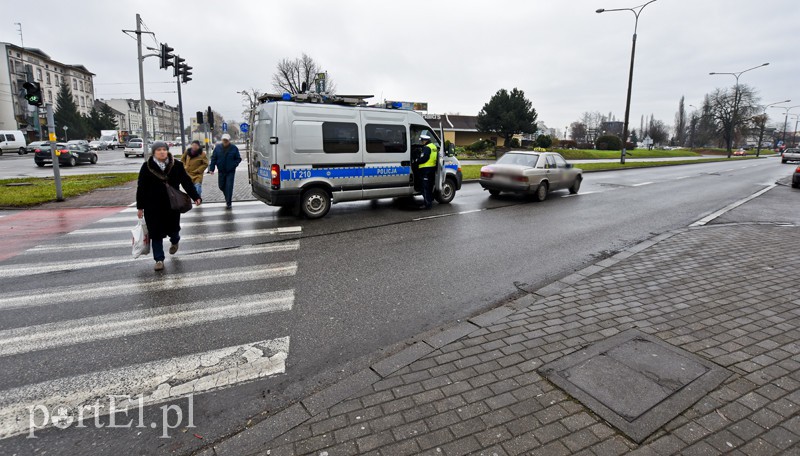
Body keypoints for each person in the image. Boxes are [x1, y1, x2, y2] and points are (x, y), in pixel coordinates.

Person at [136, 141, 202, 271]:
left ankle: (175, 240)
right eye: (158, 150)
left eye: (164, 149)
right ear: (154, 152)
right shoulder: (147, 167)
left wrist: (196, 196)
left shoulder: (176, 165)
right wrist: (140, 207)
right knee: (155, 234)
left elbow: (186, 182)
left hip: (171, 205)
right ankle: (159, 259)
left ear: (167, 151)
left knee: (173, 230)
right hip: (152, 207)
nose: (162, 152)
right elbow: (141, 188)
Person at [208, 133, 241, 208]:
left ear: (229, 140)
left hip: (230, 171)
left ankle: (228, 202)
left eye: (226, 140)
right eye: (224, 140)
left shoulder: (234, 148)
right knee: (221, 186)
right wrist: (211, 169)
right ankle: (227, 197)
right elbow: (213, 158)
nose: (225, 141)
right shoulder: (217, 148)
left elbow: (238, 158)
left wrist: (234, 165)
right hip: (221, 171)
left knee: (229, 186)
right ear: (222, 140)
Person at [413, 134, 438, 210]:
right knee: (430, 186)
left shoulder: (426, 148)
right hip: (431, 169)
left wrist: (417, 161)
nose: (421, 142)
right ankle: (430, 200)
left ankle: (427, 204)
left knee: (425, 188)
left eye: (422, 141)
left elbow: (424, 158)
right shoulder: (433, 146)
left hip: (425, 170)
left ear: (425, 141)